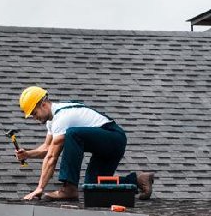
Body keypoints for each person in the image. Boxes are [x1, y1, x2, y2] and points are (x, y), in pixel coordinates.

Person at [16, 86, 155, 201]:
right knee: (91, 187)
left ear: (44, 104)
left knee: (72, 134)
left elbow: (52, 156)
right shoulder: (53, 120)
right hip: (106, 142)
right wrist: (28, 154)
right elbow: (47, 148)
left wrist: (40, 188)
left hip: (113, 137)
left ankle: (69, 188)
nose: (34, 118)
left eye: (34, 113)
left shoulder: (62, 118)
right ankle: (138, 180)